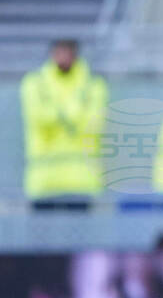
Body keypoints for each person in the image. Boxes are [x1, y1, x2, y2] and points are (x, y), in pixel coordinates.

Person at [20, 40, 108, 209]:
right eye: (59, 53)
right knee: (41, 233)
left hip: (82, 182)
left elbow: (94, 125)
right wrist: (76, 112)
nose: (63, 58)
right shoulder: (34, 83)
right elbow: (37, 119)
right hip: (43, 181)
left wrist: (57, 113)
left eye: (68, 53)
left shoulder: (94, 84)